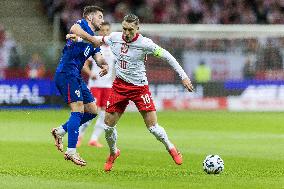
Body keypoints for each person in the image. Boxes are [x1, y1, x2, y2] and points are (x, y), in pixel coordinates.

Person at [67, 14, 194, 172]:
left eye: (130, 30)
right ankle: (113, 153)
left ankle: (171, 147)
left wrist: (183, 77)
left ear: (137, 29)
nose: (126, 33)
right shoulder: (115, 37)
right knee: (107, 127)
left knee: (153, 128)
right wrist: (78, 39)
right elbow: (96, 40)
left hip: (140, 88)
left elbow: (167, 56)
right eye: (124, 29)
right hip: (119, 86)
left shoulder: (145, 43)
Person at [51, 5, 108, 167]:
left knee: (92, 111)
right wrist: (92, 39)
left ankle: (60, 131)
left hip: (76, 76)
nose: (102, 21)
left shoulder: (94, 40)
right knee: (78, 110)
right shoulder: (81, 25)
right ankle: (71, 151)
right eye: (99, 17)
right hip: (66, 73)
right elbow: (74, 29)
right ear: (90, 17)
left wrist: (104, 65)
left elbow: (98, 58)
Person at [77, 22, 115, 148]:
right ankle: (79, 136)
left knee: (105, 114)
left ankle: (93, 139)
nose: (105, 32)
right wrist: (90, 74)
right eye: (102, 30)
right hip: (95, 85)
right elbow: (84, 64)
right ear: (99, 32)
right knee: (92, 112)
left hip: (108, 86)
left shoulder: (114, 48)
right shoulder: (94, 47)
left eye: (107, 30)